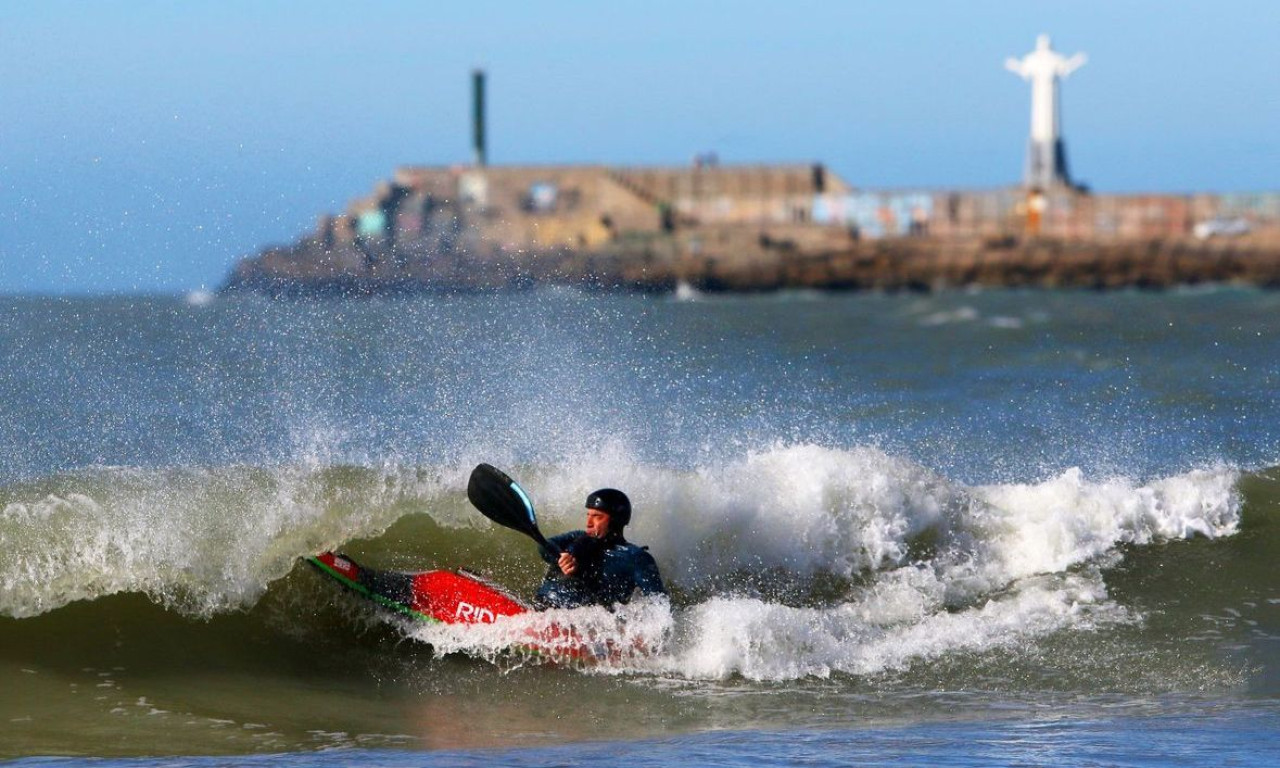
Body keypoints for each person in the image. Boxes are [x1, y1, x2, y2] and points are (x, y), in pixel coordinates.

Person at [534, 488, 666, 609]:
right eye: (588, 515)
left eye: (597, 516)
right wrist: (561, 557)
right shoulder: (577, 537)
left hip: (584, 624)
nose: (588, 523)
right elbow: (544, 546)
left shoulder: (636, 558)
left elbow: (660, 605)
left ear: (615, 520)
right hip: (543, 610)